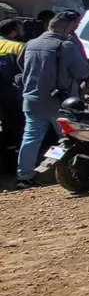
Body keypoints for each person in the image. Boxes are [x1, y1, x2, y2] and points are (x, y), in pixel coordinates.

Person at [15, 11, 89, 189]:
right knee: (69, 137)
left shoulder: (31, 44)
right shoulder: (66, 46)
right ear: (67, 26)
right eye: (75, 26)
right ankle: (71, 171)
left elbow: (20, 63)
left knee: (31, 137)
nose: (75, 29)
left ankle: (24, 175)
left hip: (32, 97)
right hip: (60, 101)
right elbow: (83, 71)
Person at [0, 19, 26, 177]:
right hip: (11, 95)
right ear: (14, 32)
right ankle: (11, 166)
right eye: (21, 29)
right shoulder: (18, 47)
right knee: (15, 129)